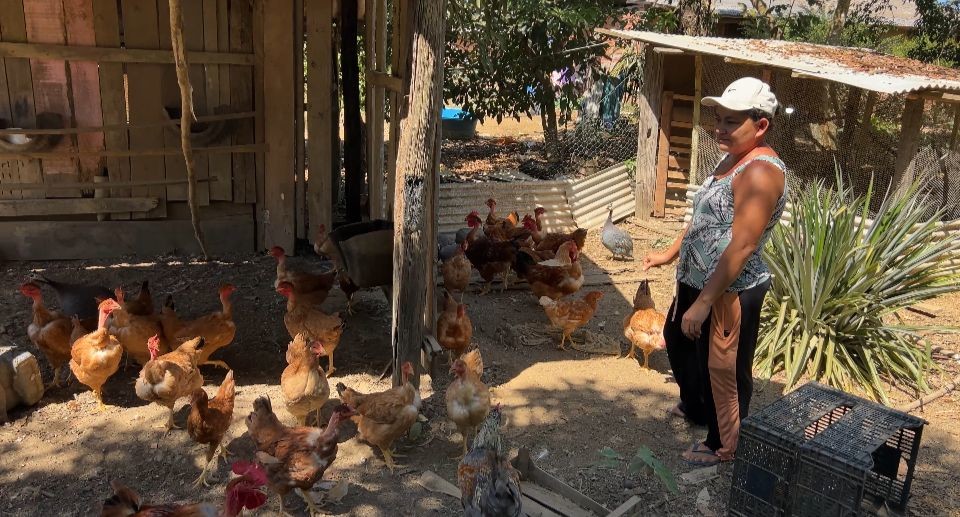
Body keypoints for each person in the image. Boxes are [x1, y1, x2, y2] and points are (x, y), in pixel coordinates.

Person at [643, 77, 786, 466]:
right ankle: (695, 407)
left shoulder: (760, 172)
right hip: (697, 278)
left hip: (729, 289)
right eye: (719, 119)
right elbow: (705, 217)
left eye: (731, 121)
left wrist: (705, 302)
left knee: (723, 367)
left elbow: (743, 245)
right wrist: (670, 253)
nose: (719, 128)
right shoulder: (731, 159)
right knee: (678, 338)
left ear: (761, 125)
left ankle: (725, 443)